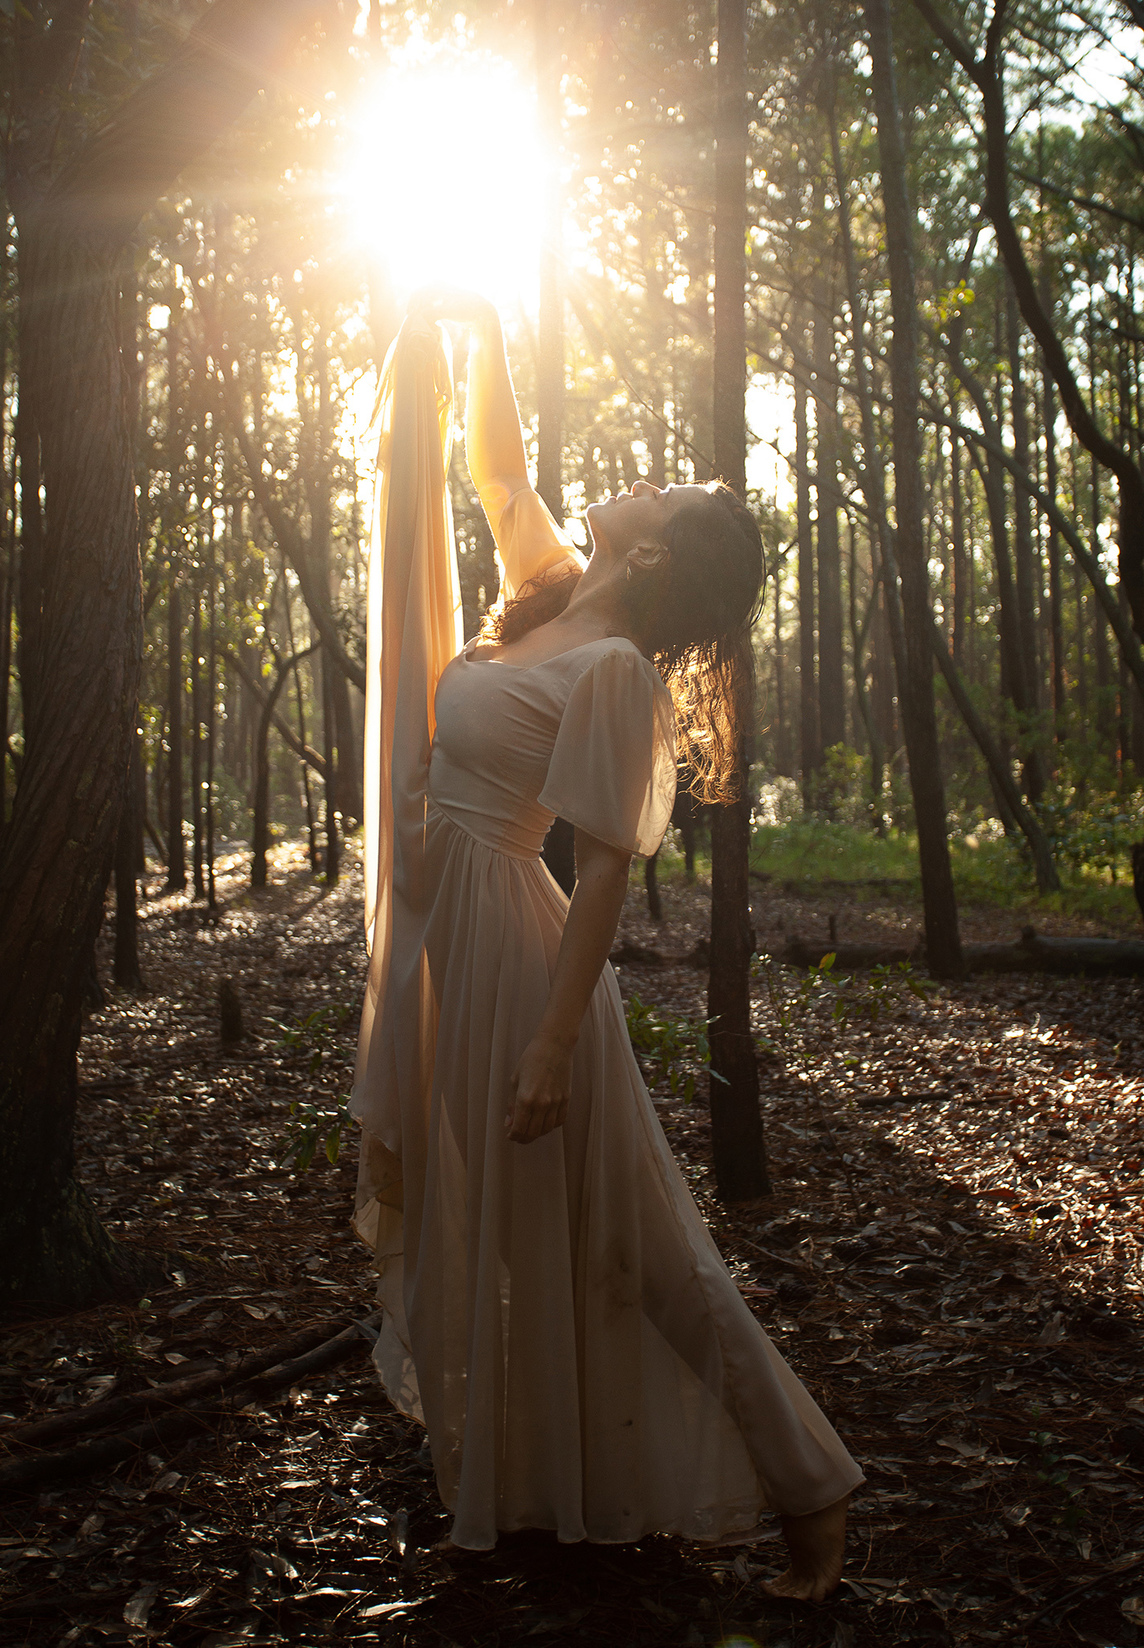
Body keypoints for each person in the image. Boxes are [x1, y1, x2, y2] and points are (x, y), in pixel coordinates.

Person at [351, 290, 862, 1598]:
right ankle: (536, 1473)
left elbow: (601, 880)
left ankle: (812, 1491)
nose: (643, 477)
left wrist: (554, 1047)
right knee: (514, 1229)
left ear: (660, 558)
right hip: (450, 943)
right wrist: (485, 340)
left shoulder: (616, 671)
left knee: (637, 1242)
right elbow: (499, 470)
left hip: (524, 965)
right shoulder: (552, 594)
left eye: (669, 489)